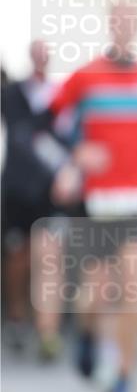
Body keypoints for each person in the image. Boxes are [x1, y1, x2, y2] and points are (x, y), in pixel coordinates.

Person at [47, 3, 137, 392]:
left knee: (134, 288)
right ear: (108, 25)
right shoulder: (84, 78)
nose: (123, 27)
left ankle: (123, 379)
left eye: (129, 20)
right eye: (116, 20)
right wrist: (73, 155)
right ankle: (85, 335)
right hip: (95, 202)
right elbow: (47, 126)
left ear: (135, 26)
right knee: (96, 293)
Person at [1, 40, 71, 359]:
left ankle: (47, 332)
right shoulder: (12, 94)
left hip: (50, 190)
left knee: (50, 257)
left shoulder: (63, 97)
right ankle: (17, 316)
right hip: (17, 188)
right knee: (18, 256)